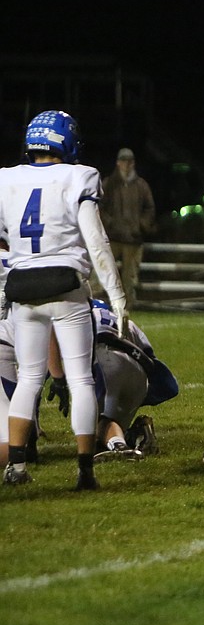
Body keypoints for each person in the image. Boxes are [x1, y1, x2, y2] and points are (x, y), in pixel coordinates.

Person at [0, 110, 128, 491]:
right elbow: (97, 241)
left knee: (30, 378)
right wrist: (117, 296)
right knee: (79, 378)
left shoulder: (7, 178)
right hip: (67, 287)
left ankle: (18, 467)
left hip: (23, 289)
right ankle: (85, 470)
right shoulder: (79, 176)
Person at [85, 298, 177, 460]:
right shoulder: (125, 321)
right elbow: (151, 359)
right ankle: (138, 432)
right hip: (138, 373)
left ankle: (121, 447)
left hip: (105, 364)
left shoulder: (75, 317)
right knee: (110, 432)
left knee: (97, 425)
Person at [98, 148, 156, 309]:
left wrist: (141, 225)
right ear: (118, 163)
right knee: (104, 273)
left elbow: (149, 208)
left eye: (129, 161)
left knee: (129, 279)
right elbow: (99, 207)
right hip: (112, 237)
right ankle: (103, 307)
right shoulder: (108, 184)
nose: (126, 164)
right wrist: (109, 223)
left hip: (133, 239)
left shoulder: (141, 185)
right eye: (123, 161)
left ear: (133, 163)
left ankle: (126, 309)